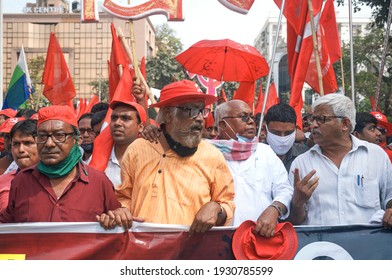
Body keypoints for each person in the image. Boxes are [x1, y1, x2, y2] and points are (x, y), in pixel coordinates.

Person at [100, 80, 235, 234]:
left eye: (201, 110)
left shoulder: (212, 156)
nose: (199, 118)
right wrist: (121, 212)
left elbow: (227, 203)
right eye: (191, 110)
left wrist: (217, 209)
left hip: (191, 254)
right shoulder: (137, 150)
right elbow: (124, 197)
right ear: (169, 114)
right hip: (142, 251)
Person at [0, 105, 127, 226]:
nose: (49, 143)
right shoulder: (22, 181)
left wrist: (118, 215)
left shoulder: (99, 182)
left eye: (59, 135)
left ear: (76, 140)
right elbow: (7, 229)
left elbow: (115, 224)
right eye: (42, 136)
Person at [288, 94, 392, 228]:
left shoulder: (376, 155)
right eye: (313, 119)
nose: (313, 125)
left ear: (345, 124)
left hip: (369, 245)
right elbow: (295, 222)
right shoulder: (301, 163)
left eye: (321, 119)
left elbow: (389, 197)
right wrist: (298, 202)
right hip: (320, 246)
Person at [213, 99, 292, 237]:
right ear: (223, 125)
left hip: (261, 237)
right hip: (219, 239)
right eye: (243, 117)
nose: (251, 122)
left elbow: (284, 189)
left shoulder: (265, 152)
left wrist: (274, 209)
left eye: (251, 117)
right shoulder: (207, 154)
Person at [105, 100, 147, 188]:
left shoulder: (150, 159)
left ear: (140, 127)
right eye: (114, 118)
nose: (117, 123)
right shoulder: (97, 161)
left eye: (125, 118)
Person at [0, 119, 39, 212]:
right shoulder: (2, 181)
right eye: (16, 144)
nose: (21, 149)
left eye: (28, 143)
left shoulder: (55, 181)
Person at [264, 103, 310, 172]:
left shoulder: (307, 155)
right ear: (265, 130)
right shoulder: (254, 157)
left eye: (288, 133)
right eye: (276, 133)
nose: (282, 139)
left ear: (296, 130)